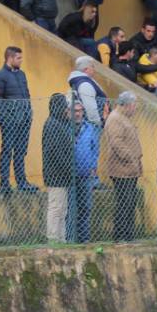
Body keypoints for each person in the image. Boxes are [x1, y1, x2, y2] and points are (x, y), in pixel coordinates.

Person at [0, 46, 36, 193]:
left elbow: (27, 94)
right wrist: (5, 119)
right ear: (10, 58)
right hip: (9, 121)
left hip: (24, 119)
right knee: (7, 151)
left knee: (21, 151)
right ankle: (5, 184)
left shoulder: (22, 74)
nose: (21, 60)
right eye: (18, 58)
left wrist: (29, 113)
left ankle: (21, 182)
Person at [103, 92, 143, 243]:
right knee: (124, 203)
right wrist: (130, 158)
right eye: (134, 106)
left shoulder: (123, 118)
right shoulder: (115, 119)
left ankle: (128, 236)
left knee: (130, 202)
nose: (135, 109)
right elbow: (116, 143)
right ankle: (120, 236)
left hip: (130, 169)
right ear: (127, 105)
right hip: (121, 169)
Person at [42, 94, 75, 242]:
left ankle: (61, 239)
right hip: (55, 174)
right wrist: (68, 168)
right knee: (56, 208)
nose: (67, 111)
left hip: (62, 174)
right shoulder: (51, 124)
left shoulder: (58, 123)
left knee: (63, 209)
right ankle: (53, 237)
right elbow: (54, 151)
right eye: (65, 107)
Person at [68, 101, 100, 244]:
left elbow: (95, 149)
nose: (78, 113)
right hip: (69, 176)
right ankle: (70, 238)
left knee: (85, 208)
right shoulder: (65, 127)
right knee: (70, 208)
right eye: (75, 111)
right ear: (69, 112)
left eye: (80, 111)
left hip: (86, 175)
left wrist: (93, 166)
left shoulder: (89, 128)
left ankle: (84, 238)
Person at [68, 56, 108, 126]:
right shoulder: (85, 84)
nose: (94, 70)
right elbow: (91, 108)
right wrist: (100, 123)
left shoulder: (82, 82)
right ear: (85, 69)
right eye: (92, 67)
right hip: (93, 127)